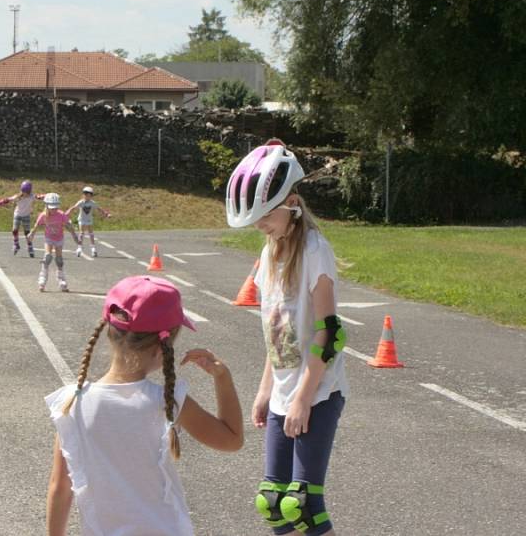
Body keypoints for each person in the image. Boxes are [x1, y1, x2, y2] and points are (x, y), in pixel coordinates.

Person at [45, 275, 244, 536]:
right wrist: (223, 378)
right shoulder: (165, 402)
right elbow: (231, 440)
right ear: (163, 347)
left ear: (108, 332)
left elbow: (60, 488)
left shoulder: (72, 403)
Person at [225, 139, 348, 536]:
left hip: (317, 392)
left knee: (305, 506)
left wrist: (301, 400)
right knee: (274, 504)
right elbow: (277, 333)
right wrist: (266, 391)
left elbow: (329, 333)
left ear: (292, 202)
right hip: (282, 393)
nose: (259, 226)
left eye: (265, 216)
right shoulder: (269, 253)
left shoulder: (314, 250)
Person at [27, 193, 79, 292]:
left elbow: (69, 226)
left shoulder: (61, 215)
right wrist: (31, 234)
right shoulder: (43, 216)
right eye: (51, 208)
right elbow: (36, 226)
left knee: (59, 260)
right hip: (49, 238)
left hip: (59, 239)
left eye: (55, 207)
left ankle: (62, 280)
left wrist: (75, 237)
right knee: (48, 257)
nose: (54, 210)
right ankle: (42, 279)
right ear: (46, 205)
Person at [0, 180, 44, 257]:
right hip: (17, 214)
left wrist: (48, 196)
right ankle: (16, 244)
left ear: (29, 191)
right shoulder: (18, 196)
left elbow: (39, 197)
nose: (24, 193)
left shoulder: (32, 196)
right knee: (14, 230)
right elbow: (7, 200)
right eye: (23, 191)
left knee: (27, 233)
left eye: (26, 192)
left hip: (26, 215)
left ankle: (30, 247)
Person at [65, 186, 110, 258]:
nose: (87, 197)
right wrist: (68, 212)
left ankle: (93, 248)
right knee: (81, 233)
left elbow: (99, 209)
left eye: (89, 195)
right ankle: (79, 247)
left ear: (91, 196)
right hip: (82, 219)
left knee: (91, 233)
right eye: (85, 195)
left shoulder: (92, 203)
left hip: (89, 220)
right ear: (83, 195)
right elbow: (74, 207)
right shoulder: (81, 202)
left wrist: (106, 214)